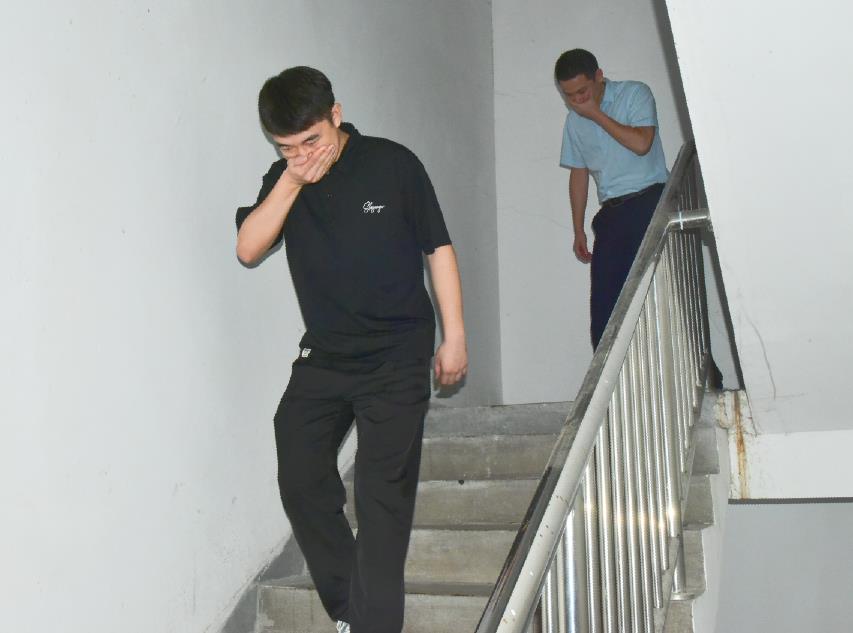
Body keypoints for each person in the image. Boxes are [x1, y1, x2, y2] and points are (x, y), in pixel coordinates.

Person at [235, 66, 468, 633]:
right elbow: (248, 248)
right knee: (299, 474)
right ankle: (350, 610)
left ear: (336, 115)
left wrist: (455, 335)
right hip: (326, 355)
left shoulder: (393, 164)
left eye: (311, 140)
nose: (302, 155)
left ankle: (372, 625)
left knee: (381, 496)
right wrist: (291, 180)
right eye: (287, 147)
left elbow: (437, 248)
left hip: (397, 353)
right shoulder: (284, 179)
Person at [555, 49, 669, 348]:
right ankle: (612, 377)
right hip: (611, 215)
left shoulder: (634, 94)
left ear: (599, 76)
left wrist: (596, 114)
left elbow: (642, 143)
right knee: (605, 313)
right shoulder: (573, 122)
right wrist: (578, 229)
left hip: (650, 204)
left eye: (582, 91)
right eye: (569, 95)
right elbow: (579, 174)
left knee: (660, 300)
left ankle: (697, 370)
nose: (577, 100)